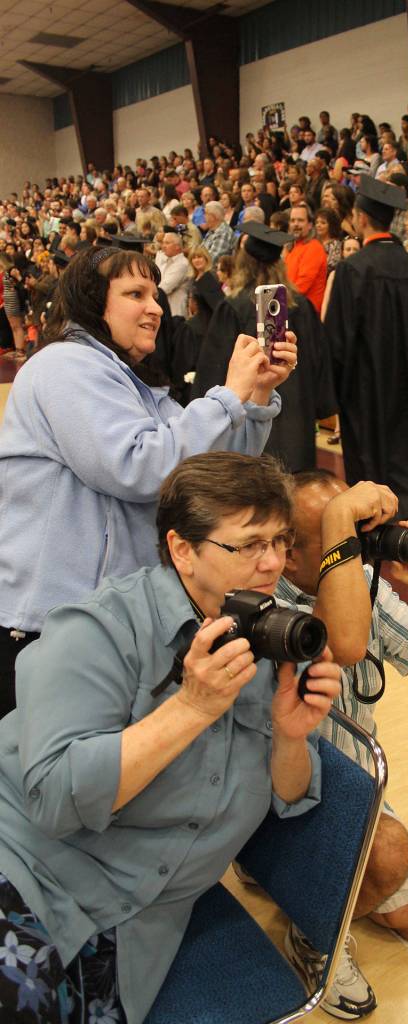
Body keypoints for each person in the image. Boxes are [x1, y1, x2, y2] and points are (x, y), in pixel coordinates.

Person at [0, 450, 341, 1023]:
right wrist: (190, 707)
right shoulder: (98, 630)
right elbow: (56, 801)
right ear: (183, 550)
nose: (274, 564)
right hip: (30, 870)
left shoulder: (274, 636)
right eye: (249, 545)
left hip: (137, 925)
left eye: (281, 542)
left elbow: (291, 798)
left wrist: (289, 735)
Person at [0, 246, 296, 717]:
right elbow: (138, 467)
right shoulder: (64, 366)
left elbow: (207, 479)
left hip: (109, 621)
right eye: (135, 293)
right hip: (51, 627)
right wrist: (228, 394)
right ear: (93, 301)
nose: (156, 307)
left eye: (156, 294)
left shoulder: (132, 384)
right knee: (60, 781)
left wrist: (257, 394)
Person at [278, 471, 408, 1018]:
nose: (356, 550)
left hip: (355, 785)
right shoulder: (272, 604)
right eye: (340, 535)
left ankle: (308, 885)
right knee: (389, 853)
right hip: (287, 792)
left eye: (359, 533)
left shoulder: (360, 581)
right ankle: (312, 936)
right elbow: (346, 642)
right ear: (288, 555)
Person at [325, 175, 408, 518]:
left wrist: (332, 390)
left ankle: (373, 526)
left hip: (364, 388)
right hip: (405, 384)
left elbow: (338, 339)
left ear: (361, 218)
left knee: (368, 458)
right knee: (406, 448)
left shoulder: (352, 269)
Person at [192, 221, 336, 473]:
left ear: (242, 263)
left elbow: (214, 370)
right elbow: (319, 364)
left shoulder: (234, 306)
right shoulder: (301, 307)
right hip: (296, 419)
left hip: (249, 424)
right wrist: (319, 407)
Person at [284, 204, 328, 314]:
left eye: (300, 220)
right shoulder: (291, 248)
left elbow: (301, 287)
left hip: (306, 315)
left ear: (309, 225)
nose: (296, 224)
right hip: (293, 308)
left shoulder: (314, 248)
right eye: (292, 220)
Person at [155, 231, 191, 317]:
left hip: (175, 312)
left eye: (167, 243)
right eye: (163, 243)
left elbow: (165, 288)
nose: (163, 246)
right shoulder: (163, 259)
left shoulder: (182, 264)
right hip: (163, 308)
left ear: (177, 246)